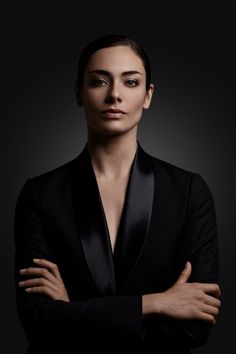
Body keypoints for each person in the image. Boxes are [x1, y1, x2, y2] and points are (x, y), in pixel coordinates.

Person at [14, 34, 221, 353]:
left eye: (131, 82)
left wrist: (73, 312)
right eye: (99, 81)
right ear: (79, 93)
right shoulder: (41, 194)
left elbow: (194, 327)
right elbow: (38, 323)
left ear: (148, 95)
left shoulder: (189, 192)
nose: (114, 95)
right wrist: (157, 303)